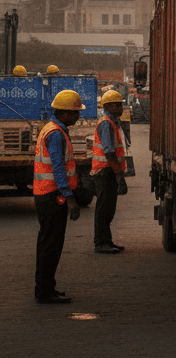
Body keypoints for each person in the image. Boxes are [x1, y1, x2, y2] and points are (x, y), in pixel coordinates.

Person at [33, 89, 84, 304]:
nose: (77, 117)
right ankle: (45, 291)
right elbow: (58, 167)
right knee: (51, 245)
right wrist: (69, 198)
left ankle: (45, 288)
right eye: (74, 113)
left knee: (48, 243)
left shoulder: (52, 129)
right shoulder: (55, 133)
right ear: (63, 113)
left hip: (46, 195)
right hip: (52, 196)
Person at [92, 89, 129, 253]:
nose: (121, 107)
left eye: (121, 104)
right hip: (105, 172)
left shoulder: (112, 122)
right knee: (104, 209)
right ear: (109, 106)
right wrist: (118, 174)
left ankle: (107, 241)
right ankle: (101, 243)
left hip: (108, 172)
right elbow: (108, 151)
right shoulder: (106, 123)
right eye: (117, 105)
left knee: (108, 209)